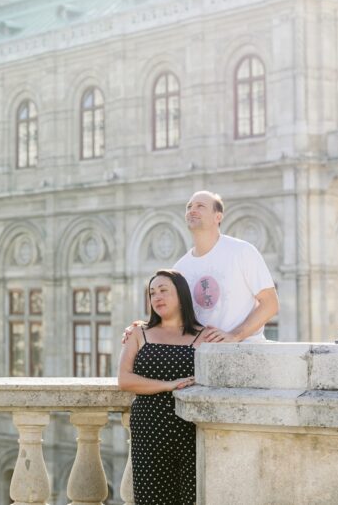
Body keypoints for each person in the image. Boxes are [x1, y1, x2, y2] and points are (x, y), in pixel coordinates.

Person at [127, 190, 279, 343]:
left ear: (217, 217)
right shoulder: (180, 267)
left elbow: (270, 304)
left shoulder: (242, 252)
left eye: (200, 206)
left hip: (243, 353)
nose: (192, 210)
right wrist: (141, 328)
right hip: (198, 356)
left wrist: (235, 335)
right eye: (189, 207)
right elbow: (173, 318)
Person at [118, 269, 206, 505]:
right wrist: (168, 385)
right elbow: (124, 380)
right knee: (152, 499)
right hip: (149, 429)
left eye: (164, 290)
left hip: (191, 430)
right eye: (152, 292)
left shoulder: (204, 336)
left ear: (181, 295)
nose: (157, 297)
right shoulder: (139, 333)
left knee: (192, 498)